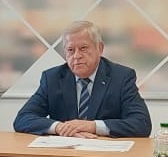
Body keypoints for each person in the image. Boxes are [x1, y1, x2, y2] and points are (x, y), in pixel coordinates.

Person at [13, 20, 151, 138]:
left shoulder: (121, 77)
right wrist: (60, 127)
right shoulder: (52, 78)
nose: (77, 56)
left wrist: (93, 126)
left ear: (100, 48)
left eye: (83, 48)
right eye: (71, 50)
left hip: (105, 154)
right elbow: (23, 118)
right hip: (63, 154)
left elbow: (142, 123)